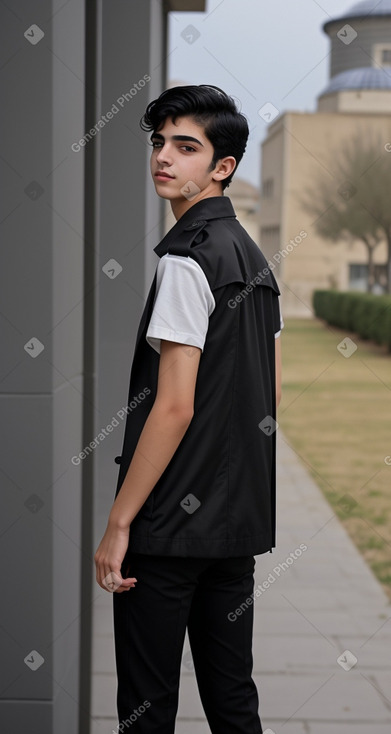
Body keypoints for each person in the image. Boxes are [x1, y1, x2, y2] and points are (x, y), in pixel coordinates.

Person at [94, 84, 283, 734]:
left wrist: (120, 523)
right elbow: (269, 396)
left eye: (184, 146)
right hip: (235, 528)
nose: (162, 158)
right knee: (233, 700)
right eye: (157, 142)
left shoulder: (186, 259)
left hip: (171, 528)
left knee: (145, 709)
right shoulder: (255, 259)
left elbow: (172, 407)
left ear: (222, 167)